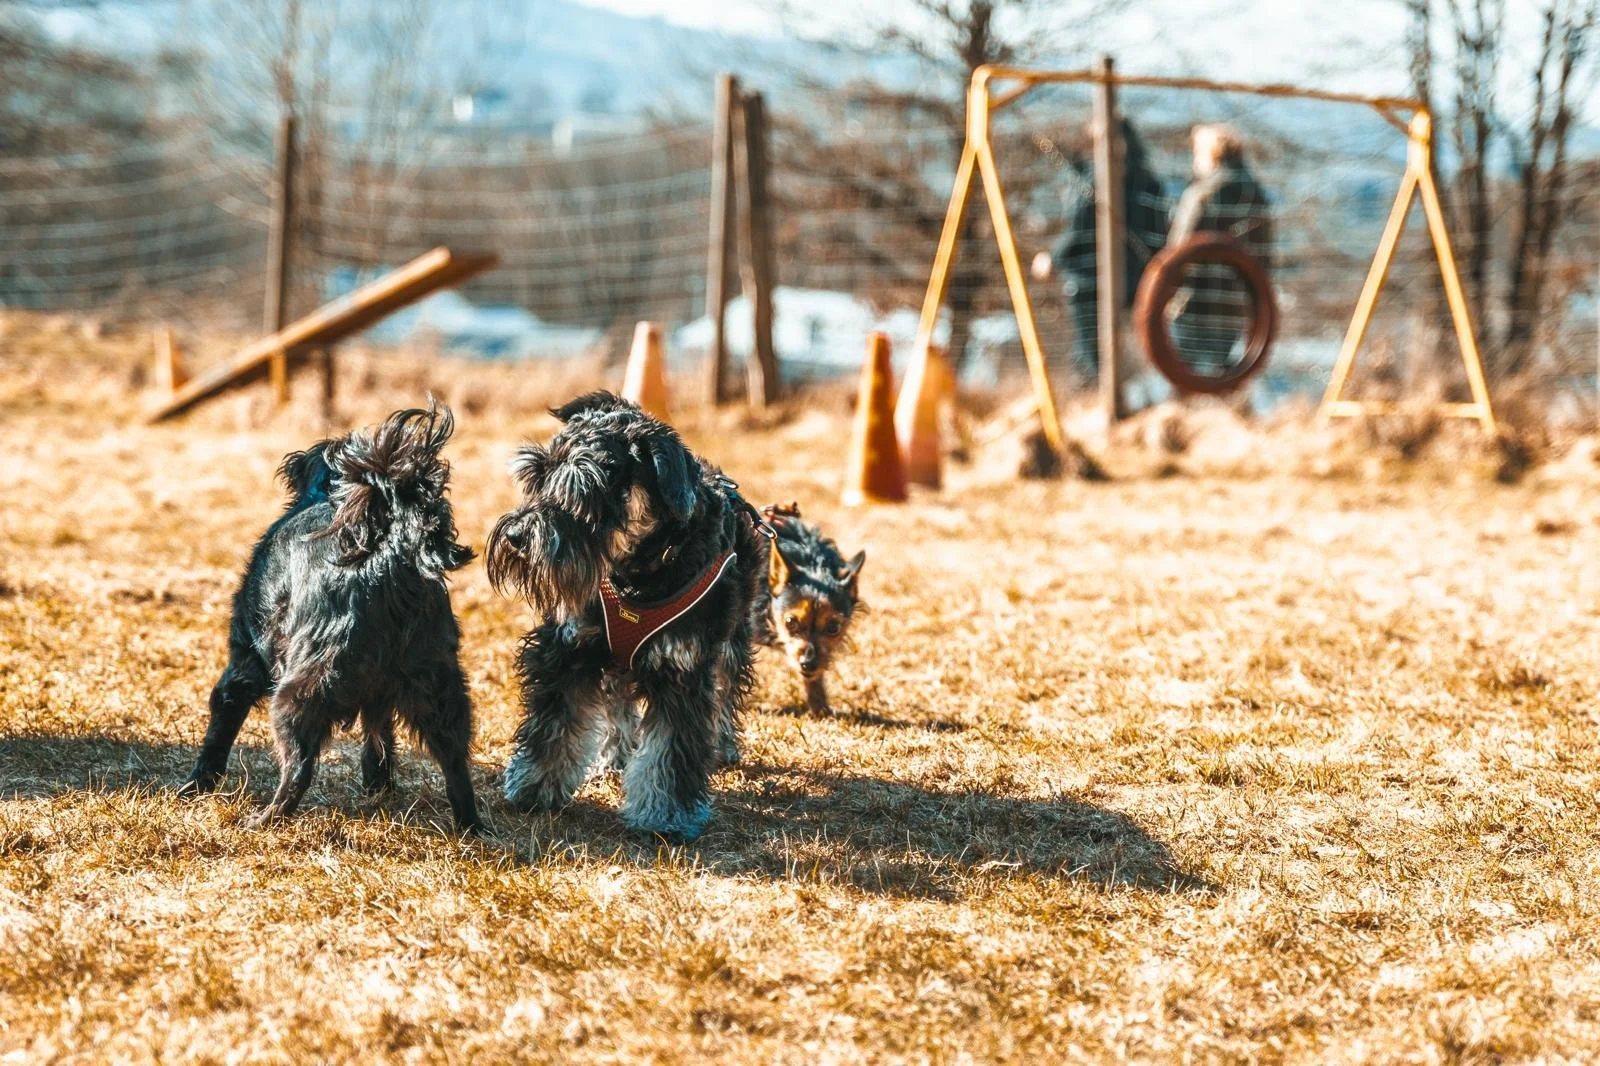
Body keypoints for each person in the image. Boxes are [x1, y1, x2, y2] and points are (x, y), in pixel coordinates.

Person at [1030, 118, 1168, 384]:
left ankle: (1105, 400)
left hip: (1090, 277)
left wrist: (1054, 258)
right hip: (1138, 279)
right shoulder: (1148, 179)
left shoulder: (1096, 178)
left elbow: (1081, 226)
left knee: (1091, 352)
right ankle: (1116, 397)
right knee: (1118, 350)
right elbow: (1159, 231)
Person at [1165, 124, 1273, 375]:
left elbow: (1178, 250)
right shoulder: (1258, 196)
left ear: (1211, 154)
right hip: (1234, 304)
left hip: (1194, 302)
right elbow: (1264, 258)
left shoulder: (1202, 194)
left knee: (1183, 372)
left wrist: (1166, 293)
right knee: (1219, 372)